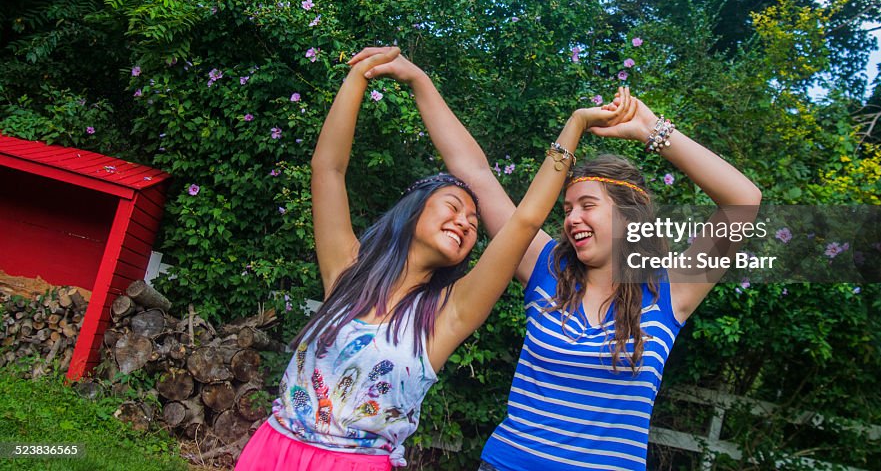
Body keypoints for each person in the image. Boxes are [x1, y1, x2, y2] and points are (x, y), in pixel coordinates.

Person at [357, 48, 761, 471]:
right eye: (567, 209)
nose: (572, 219)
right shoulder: (546, 267)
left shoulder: (669, 290)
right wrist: (419, 80)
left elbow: (744, 202)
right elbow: (474, 172)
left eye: (587, 205)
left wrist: (651, 130)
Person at [235, 46, 631, 470]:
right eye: (453, 206)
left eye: (473, 222)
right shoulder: (345, 273)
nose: (464, 221)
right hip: (272, 450)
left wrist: (575, 125)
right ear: (413, 213)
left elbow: (524, 222)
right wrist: (359, 78)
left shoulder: (448, 314)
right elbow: (327, 168)